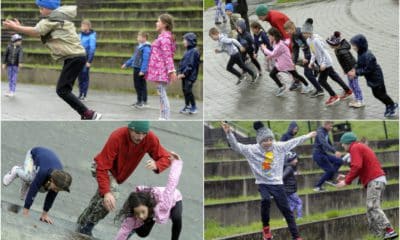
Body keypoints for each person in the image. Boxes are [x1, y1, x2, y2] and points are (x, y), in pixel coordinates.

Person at [2, 1, 101, 120]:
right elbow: (40, 33)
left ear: (50, 8)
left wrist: (17, 27)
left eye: (42, 8)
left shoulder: (52, 19)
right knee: (64, 90)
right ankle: (86, 114)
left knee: (62, 90)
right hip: (75, 57)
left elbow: (36, 31)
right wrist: (20, 28)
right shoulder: (58, 18)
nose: (40, 11)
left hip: (74, 57)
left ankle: (88, 114)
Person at [222, 121, 317, 240]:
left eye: (270, 140)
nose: (268, 143)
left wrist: (308, 136)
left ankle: (296, 236)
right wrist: (229, 133)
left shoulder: (279, 147)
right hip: (263, 183)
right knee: (265, 200)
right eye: (264, 141)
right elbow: (236, 146)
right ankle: (266, 229)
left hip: (277, 184)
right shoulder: (251, 150)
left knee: (286, 210)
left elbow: (293, 141)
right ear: (259, 141)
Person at [76, 121, 172, 236]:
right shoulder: (117, 136)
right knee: (111, 196)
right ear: (130, 129)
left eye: (144, 133)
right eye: (137, 133)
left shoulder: (149, 138)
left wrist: (158, 164)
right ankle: (87, 227)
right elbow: (102, 167)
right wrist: (107, 192)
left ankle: (81, 222)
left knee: (100, 197)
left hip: (117, 176)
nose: (140, 137)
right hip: (101, 167)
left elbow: (166, 157)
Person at [336, 132, 398, 240]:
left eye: (343, 144)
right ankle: (379, 235)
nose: (342, 146)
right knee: (370, 211)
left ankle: (389, 231)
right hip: (377, 180)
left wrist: (346, 181)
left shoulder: (354, 147)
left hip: (375, 181)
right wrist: (346, 177)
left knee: (373, 207)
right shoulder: (359, 147)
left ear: (348, 143)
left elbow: (357, 166)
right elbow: (360, 168)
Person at [114, 152, 183, 240]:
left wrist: (176, 163)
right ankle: (135, 227)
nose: (141, 216)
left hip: (173, 199)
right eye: (137, 213)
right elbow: (123, 230)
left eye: (142, 212)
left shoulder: (164, 201)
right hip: (152, 211)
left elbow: (172, 183)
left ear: (147, 206)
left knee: (176, 218)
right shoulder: (134, 215)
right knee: (143, 233)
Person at [3, 147, 72, 224]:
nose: (56, 191)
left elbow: (51, 197)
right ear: (52, 180)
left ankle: (26, 183)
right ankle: (16, 170)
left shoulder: (60, 181)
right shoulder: (43, 172)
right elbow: (33, 189)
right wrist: (26, 211)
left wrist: (44, 214)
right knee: (29, 177)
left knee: (43, 188)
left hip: (44, 162)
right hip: (33, 155)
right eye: (56, 188)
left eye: (58, 190)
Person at [301, 18, 352, 106]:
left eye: (305, 33)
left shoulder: (316, 40)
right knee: (334, 76)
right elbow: (313, 52)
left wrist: (324, 63)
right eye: (303, 33)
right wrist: (311, 62)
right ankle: (348, 90)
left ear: (310, 32)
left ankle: (334, 96)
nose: (304, 34)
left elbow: (324, 52)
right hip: (321, 62)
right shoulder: (308, 40)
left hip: (326, 62)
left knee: (321, 81)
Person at [349, 34, 398, 117]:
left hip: (376, 78)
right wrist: (354, 68)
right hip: (371, 78)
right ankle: (388, 104)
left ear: (360, 45)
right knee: (377, 94)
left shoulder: (368, 56)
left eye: (354, 45)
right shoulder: (360, 53)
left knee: (380, 94)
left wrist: (356, 73)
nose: (353, 47)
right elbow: (359, 63)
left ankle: (392, 105)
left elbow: (368, 69)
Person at [261, 27, 312, 96]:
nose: (268, 37)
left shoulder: (280, 44)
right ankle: (282, 87)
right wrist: (269, 56)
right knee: (272, 74)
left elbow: (273, 53)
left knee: (296, 75)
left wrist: (264, 49)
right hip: (280, 63)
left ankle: (307, 86)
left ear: (274, 36)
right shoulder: (276, 42)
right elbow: (276, 53)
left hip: (286, 63)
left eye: (269, 36)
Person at [146, 14, 177, 120]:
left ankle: (165, 117)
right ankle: (162, 115)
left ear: (164, 24)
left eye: (158, 21)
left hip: (161, 72)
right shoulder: (162, 37)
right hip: (159, 72)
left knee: (162, 95)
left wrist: (171, 71)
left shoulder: (165, 38)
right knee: (161, 95)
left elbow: (168, 55)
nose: (156, 23)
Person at [284, 20, 324, 96]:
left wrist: (307, 57)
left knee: (308, 73)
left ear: (292, 27)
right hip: (309, 55)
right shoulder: (293, 36)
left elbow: (310, 44)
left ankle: (319, 89)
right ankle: (318, 85)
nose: (287, 33)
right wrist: (294, 62)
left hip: (313, 53)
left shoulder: (301, 33)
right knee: (309, 73)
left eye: (287, 31)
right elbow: (296, 49)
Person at [326, 31, 364, 108]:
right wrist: (345, 69)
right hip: (349, 70)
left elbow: (350, 61)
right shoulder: (338, 49)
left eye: (330, 45)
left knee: (355, 85)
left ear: (335, 44)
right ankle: (357, 99)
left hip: (352, 70)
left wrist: (352, 71)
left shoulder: (342, 51)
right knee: (351, 85)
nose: (330, 46)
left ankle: (360, 100)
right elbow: (344, 62)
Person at [122, 31, 151, 108]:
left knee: (139, 86)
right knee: (139, 85)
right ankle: (141, 101)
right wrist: (127, 64)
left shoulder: (146, 48)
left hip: (140, 70)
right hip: (136, 67)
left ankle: (141, 101)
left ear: (144, 38)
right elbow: (133, 58)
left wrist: (143, 70)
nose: (137, 38)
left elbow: (146, 60)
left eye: (139, 37)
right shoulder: (139, 47)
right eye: (137, 36)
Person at [312, 121, 343, 192]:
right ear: (325, 125)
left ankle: (330, 178)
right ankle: (317, 186)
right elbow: (324, 143)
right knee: (329, 170)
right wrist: (334, 151)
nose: (331, 128)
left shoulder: (326, 132)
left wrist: (335, 151)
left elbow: (329, 143)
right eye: (330, 126)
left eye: (332, 126)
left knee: (339, 161)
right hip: (318, 154)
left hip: (324, 153)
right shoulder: (320, 132)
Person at [177, 32, 200, 114]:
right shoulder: (186, 51)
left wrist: (184, 74)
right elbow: (181, 63)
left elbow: (191, 65)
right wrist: (179, 72)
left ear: (190, 41)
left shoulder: (194, 51)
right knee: (185, 90)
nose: (183, 42)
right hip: (184, 76)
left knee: (188, 90)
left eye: (185, 40)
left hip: (190, 76)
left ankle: (193, 106)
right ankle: (187, 106)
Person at [78, 19, 97, 101]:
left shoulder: (92, 36)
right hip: (79, 58)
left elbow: (92, 49)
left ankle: (84, 95)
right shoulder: (79, 35)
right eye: (81, 25)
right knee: (79, 77)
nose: (82, 27)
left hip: (86, 59)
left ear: (88, 26)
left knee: (85, 77)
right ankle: (80, 93)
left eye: (83, 26)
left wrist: (89, 61)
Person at [283, 152, 302, 220]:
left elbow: (288, 174)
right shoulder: (289, 168)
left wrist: (295, 173)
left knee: (292, 204)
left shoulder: (289, 168)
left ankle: (286, 217)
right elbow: (283, 176)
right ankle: (300, 217)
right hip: (290, 190)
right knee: (299, 202)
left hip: (287, 190)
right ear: (290, 160)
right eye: (295, 159)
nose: (296, 161)